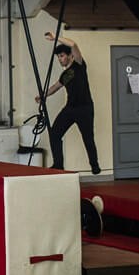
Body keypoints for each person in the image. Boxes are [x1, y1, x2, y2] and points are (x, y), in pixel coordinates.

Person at [35, 31, 101, 174]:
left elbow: (73, 44)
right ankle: (58, 164)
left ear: (70, 56)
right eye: (58, 56)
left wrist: (55, 38)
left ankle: (94, 165)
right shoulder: (67, 74)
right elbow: (56, 87)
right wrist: (43, 96)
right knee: (55, 134)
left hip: (84, 108)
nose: (60, 59)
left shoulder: (79, 65)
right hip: (70, 108)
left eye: (62, 55)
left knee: (88, 138)